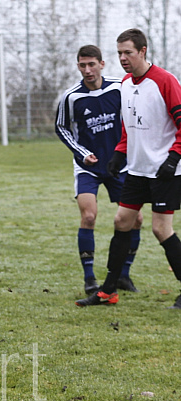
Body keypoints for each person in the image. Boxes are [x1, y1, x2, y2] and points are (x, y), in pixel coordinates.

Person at [76, 29, 181, 309]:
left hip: (164, 171)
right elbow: (128, 128)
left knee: (161, 229)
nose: (123, 58)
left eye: (128, 53)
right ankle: (108, 290)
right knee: (122, 221)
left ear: (143, 51)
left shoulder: (165, 81)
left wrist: (174, 157)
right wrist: (119, 155)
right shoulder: (124, 83)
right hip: (136, 170)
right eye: (119, 53)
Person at [55, 44, 143, 295]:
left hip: (120, 165)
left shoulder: (119, 87)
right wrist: (82, 153)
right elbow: (61, 128)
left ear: (102, 64)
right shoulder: (71, 96)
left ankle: (124, 275)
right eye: (82, 65)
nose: (87, 70)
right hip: (88, 168)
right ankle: (89, 279)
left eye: (92, 64)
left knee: (135, 219)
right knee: (89, 216)